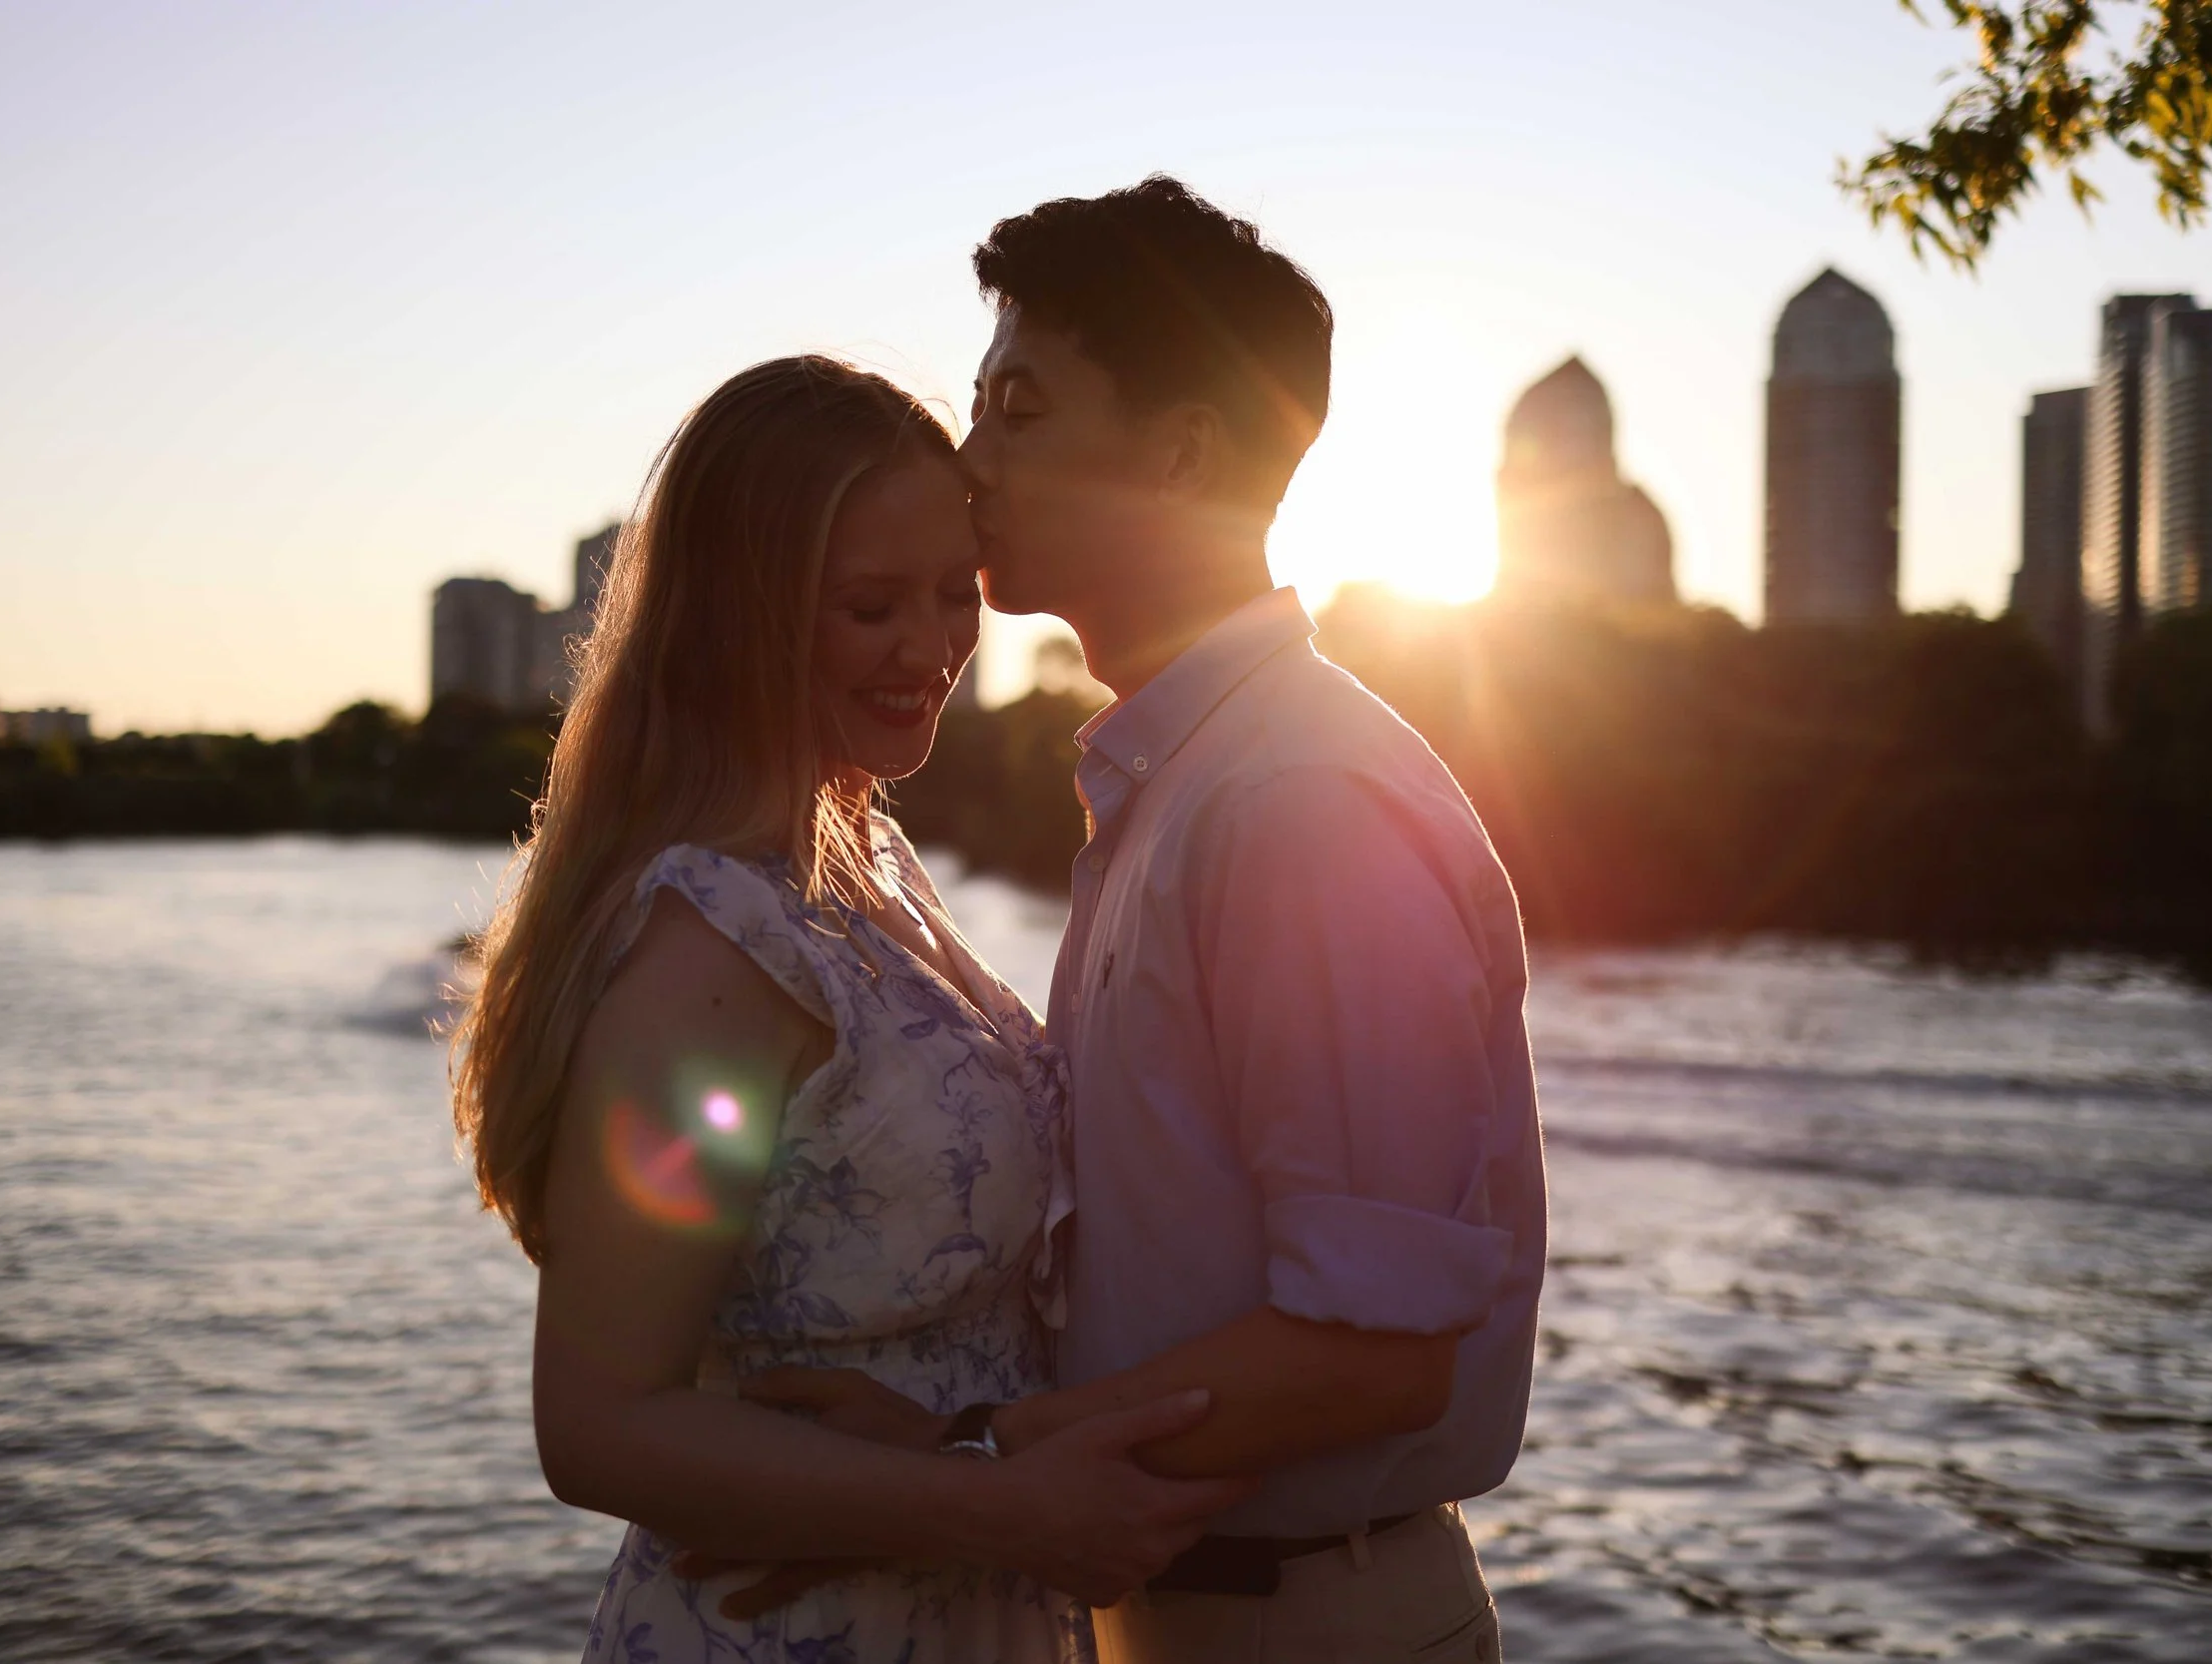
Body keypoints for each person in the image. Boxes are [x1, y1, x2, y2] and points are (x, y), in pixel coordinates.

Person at [736, 179, 1548, 1663]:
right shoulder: (1182, 781)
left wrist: (960, 1455)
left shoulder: (1300, 804)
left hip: (1307, 1623)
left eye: (1021, 410)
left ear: (1179, 453)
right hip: (1175, 1606)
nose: (968, 463)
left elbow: (1372, 1348)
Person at [449, 354, 1251, 1664]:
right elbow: (598, 1419)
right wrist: (996, 1505)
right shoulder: (711, 952)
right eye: (872, 605)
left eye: (954, 595)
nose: (932, 648)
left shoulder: (864, 858)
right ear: (743, 616)